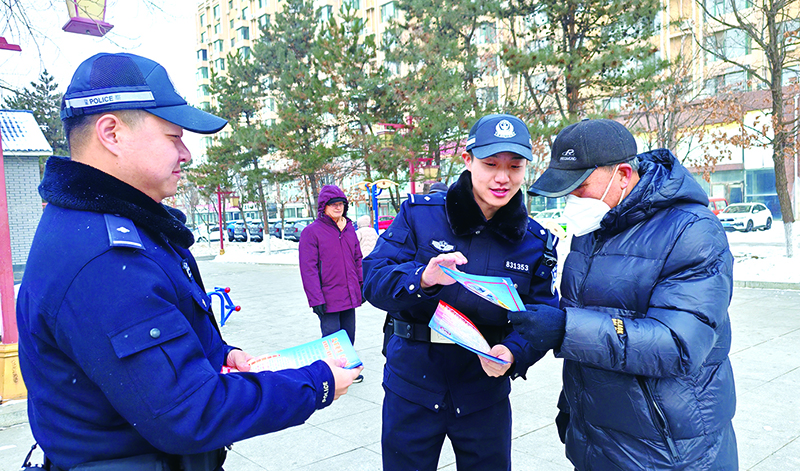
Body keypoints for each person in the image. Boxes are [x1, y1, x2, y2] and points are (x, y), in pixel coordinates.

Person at [16, 52, 361, 471]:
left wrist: (218, 352)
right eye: (174, 136)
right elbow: (189, 412)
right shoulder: (104, 259)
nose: (187, 154)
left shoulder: (110, 224)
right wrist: (316, 383)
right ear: (112, 133)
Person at [513, 118, 737, 469]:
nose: (572, 200)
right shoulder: (595, 227)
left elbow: (677, 345)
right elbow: (595, 320)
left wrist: (564, 328)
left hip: (667, 448)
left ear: (622, 175)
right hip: (598, 438)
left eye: (581, 186)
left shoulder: (693, 232)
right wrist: (573, 408)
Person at [363, 114, 559, 470]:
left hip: (484, 389)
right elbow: (373, 278)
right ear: (467, 161)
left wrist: (514, 352)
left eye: (514, 166)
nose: (503, 178)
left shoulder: (534, 242)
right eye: (490, 164)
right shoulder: (419, 216)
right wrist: (422, 278)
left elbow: (545, 313)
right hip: (413, 382)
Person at [299, 185, 364, 382]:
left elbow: (357, 259)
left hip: (349, 294)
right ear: (323, 207)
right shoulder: (312, 232)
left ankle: (348, 368)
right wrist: (315, 299)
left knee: (348, 334)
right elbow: (308, 268)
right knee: (331, 338)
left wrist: (362, 287)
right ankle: (332, 373)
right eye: (333, 204)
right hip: (327, 297)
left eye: (341, 204)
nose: (338, 208)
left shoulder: (349, 229)